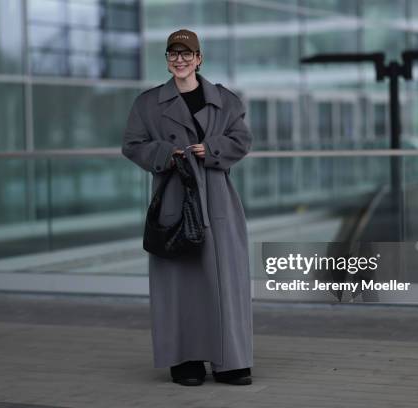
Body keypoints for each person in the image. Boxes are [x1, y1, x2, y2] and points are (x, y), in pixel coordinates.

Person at [121, 29, 253, 386]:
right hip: (175, 199)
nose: (179, 60)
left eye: (186, 54)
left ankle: (231, 360)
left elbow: (242, 140)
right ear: (167, 60)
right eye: (172, 54)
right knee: (179, 283)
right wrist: (165, 153)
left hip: (218, 201)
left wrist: (210, 151)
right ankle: (185, 359)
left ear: (199, 58)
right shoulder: (148, 104)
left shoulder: (225, 100)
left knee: (226, 281)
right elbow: (132, 145)